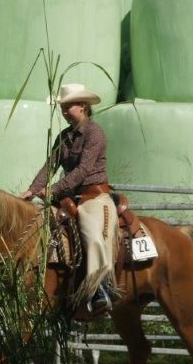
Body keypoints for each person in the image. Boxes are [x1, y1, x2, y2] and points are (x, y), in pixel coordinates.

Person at [20, 83, 119, 313]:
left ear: (83, 106)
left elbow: (83, 170)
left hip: (93, 196)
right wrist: (33, 190)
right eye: (62, 107)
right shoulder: (63, 137)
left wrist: (54, 189)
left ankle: (99, 288)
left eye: (68, 106)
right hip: (69, 197)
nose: (64, 111)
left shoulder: (95, 133)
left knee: (92, 233)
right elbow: (50, 165)